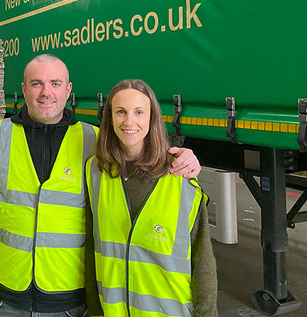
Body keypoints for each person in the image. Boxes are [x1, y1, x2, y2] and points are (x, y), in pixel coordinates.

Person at [0, 55, 202, 316]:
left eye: (54, 84)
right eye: (37, 83)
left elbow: (140, 161)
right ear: (23, 89)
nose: (45, 92)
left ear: (68, 90)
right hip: (5, 300)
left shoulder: (94, 142)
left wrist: (183, 157)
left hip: (67, 303)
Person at [84, 79, 217, 316]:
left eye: (139, 112)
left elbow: (203, 261)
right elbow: (92, 249)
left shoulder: (180, 175)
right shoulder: (96, 172)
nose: (129, 121)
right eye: (121, 112)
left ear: (152, 118)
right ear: (110, 118)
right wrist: (94, 309)